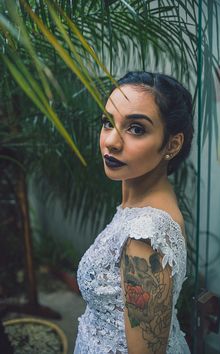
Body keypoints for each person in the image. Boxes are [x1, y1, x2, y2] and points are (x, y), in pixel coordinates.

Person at [73, 71, 193, 354]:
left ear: (172, 144)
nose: (111, 142)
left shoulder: (146, 236)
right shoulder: (143, 199)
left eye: (136, 128)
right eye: (107, 122)